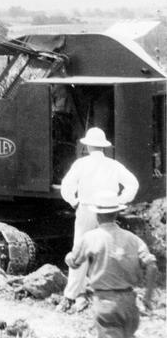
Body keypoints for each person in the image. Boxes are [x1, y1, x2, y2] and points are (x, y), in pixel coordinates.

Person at [58, 127, 140, 312]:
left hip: (87, 209)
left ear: (87, 146)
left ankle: (71, 296)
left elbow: (66, 185)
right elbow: (133, 184)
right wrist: (119, 200)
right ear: (103, 148)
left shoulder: (81, 164)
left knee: (80, 251)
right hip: (108, 210)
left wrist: (74, 202)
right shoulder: (113, 165)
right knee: (109, 249)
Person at [65, 189, 157, 338]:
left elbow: (74, 263)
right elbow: (152, 266)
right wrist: (147, 297)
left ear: (97, 214)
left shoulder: (90, 238)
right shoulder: (133, 239)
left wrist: (69, 257)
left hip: (105, 303)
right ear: (116, 214)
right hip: (129, 303)